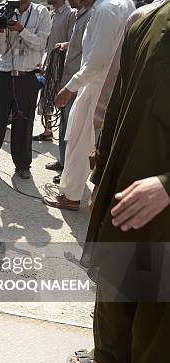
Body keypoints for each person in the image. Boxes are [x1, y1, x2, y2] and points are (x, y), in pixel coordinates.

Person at [65, 3, 170, 363]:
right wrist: (100, 174)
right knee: (115, 274)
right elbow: (113, 103)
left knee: (159, 310)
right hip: (126, 178)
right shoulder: (144, 19)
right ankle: (110, 354)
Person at [43, 0, 134, 210]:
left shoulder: (105, 10)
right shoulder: (121, 4)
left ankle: (71, 195)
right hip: (107, 84)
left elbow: (97, 60)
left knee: (79, 141)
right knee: (93, 143)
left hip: (96, 86)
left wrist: (70, 87)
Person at [0, 0, 51, 179]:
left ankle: (23, 165)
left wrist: (21, 30)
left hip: (27, 75)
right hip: (4, 74)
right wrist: (1, 30)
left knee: (23, 122)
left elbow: (40, 44)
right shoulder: (6, 10)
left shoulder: (41, 13)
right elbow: (1, 50)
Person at [45, 0, 91, 183]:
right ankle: (63, 163)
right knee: (64, 125)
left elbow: (89, 52)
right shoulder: (80, 14)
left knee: (72, 129)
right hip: (66, 78)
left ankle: (70, 174)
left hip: (76, 82)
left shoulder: (90, 15)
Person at [33, 0, 76, 142]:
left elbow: (74, 42)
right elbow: (48, 43)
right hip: (50, 65)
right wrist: (44, 62)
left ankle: (64, 136)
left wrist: (64, 47)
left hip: (63, 67)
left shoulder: (71, 14)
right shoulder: (53, 15)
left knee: (62, 101)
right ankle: (47, 131)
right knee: (46, 97)